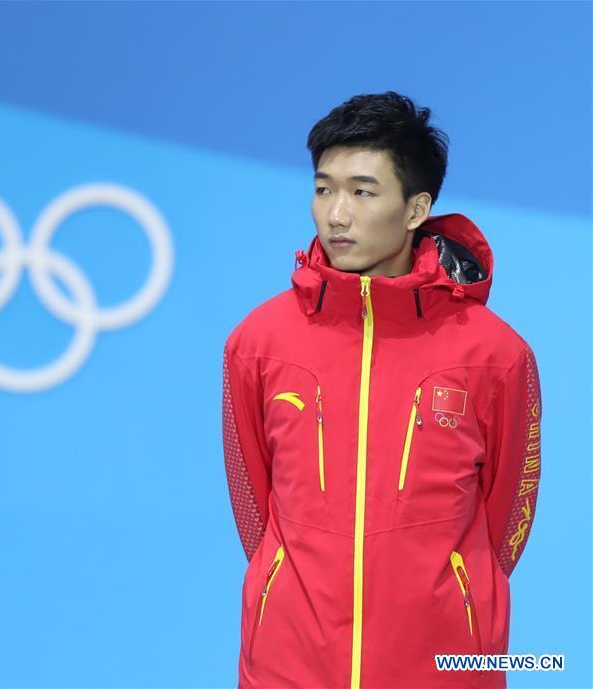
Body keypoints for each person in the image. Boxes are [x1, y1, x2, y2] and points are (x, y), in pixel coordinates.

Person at [222, 91, 542, 689]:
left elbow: (507, 519)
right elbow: (255, 509)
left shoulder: (496, 355)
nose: (336, 214)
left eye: (363, 192)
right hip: (287, 665)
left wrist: (458, 601)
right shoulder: (258, 341)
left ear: (416, 207)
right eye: (323, 189)